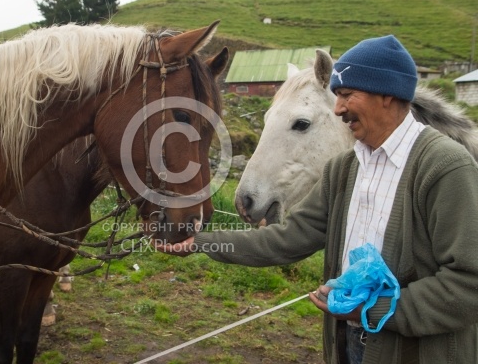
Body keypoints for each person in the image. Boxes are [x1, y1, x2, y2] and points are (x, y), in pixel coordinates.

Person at [157, 35, 478, 363]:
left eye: (348, 95)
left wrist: (373, 308)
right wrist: (202, 242)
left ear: (387, 95)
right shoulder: (346, 168)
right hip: (349, 345)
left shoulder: (444, 167)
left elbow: (468, 284)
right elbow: (291, 238)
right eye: (337, 95)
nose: (338, 108)